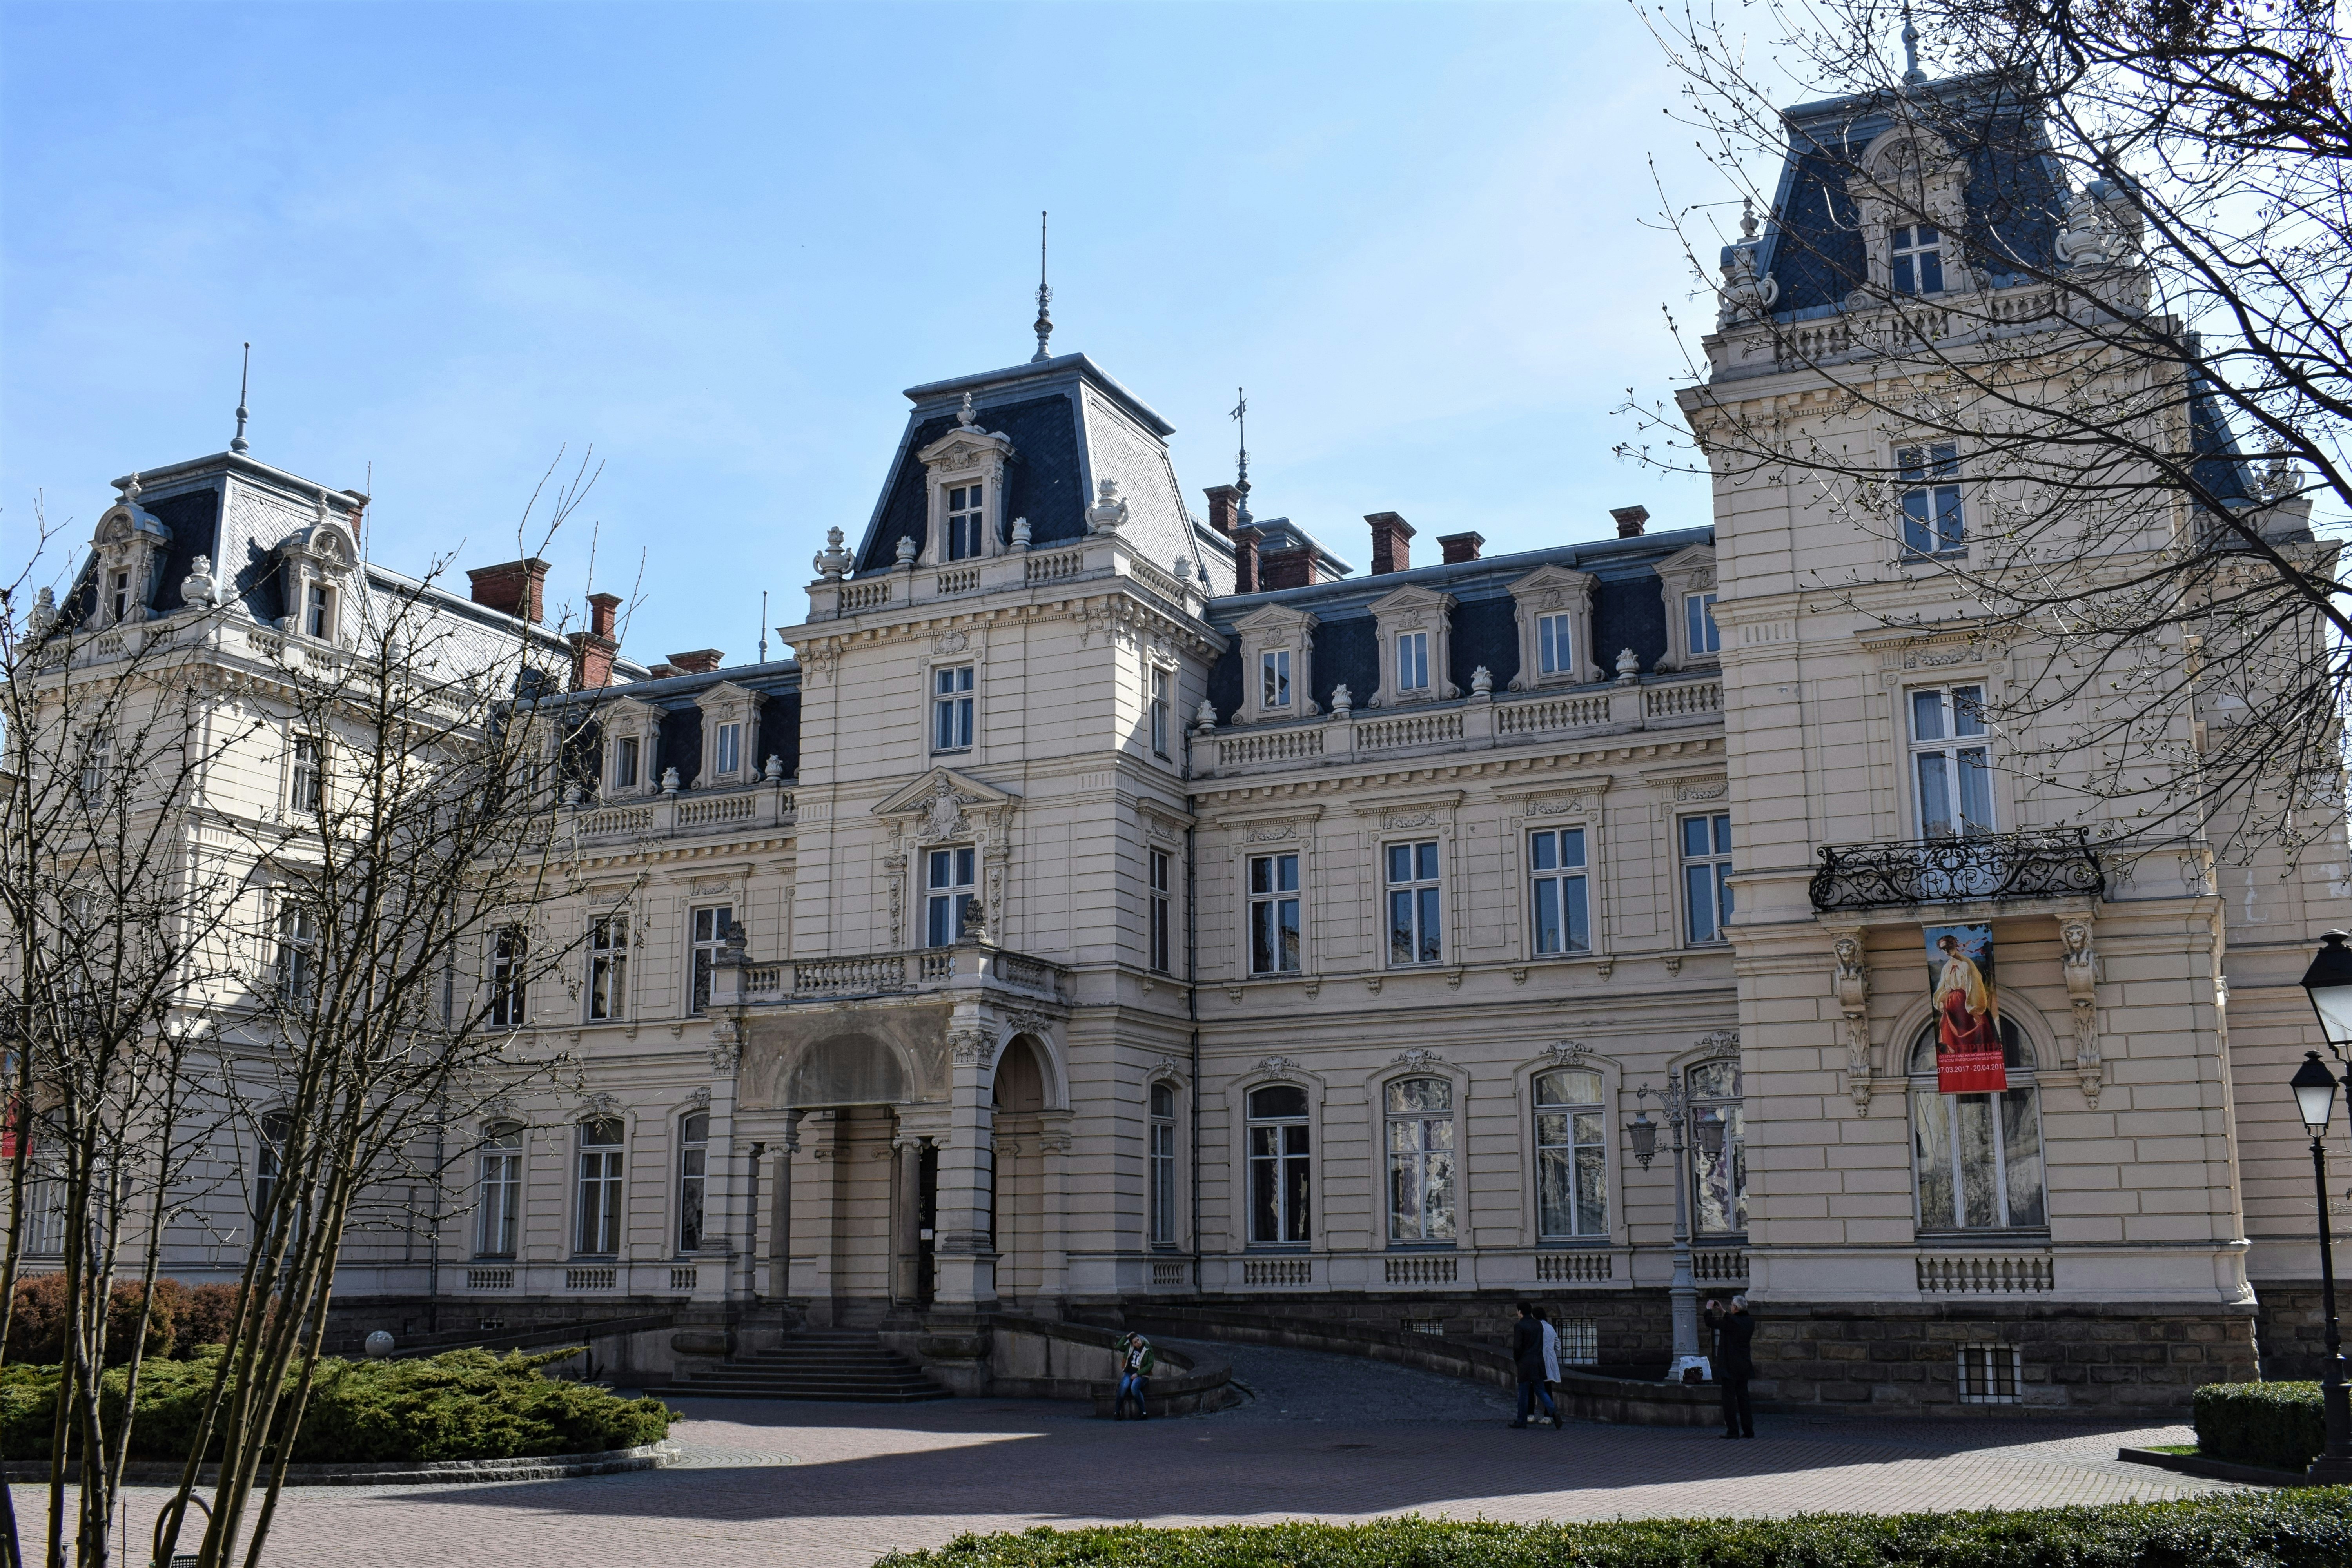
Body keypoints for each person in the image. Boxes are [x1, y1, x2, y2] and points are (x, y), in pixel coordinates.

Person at [1705, 1296, 1756, 1439]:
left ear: (1736, 1308)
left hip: (1730, 1366)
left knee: (1729, 1400)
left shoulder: (1732, 1323)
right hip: (1744, 1365)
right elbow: (1735, 1321)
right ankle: (1749, 1430)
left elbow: (1710, 1323)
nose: (1730, 1307)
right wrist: (1722, 1311)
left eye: (1732, 1305)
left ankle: (1733, 1431)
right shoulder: (1749, 1322)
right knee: (1744, 1398)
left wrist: (1709, 1309)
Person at [1506, 1303, 1558, 1429]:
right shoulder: (1539, 1325)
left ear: (1520, 1312)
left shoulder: (1520, 1326)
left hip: (1526, 1363)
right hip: (1539, 1361)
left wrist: (1517, 1359)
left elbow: (1518, 1347)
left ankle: (1521, 1420)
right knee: (1541, 1391)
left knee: (1524, 1393)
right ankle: (1555, 1413)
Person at [1112, 1329, 1156, 1420]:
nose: (1138, 1343)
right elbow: (1118, 1346)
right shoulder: (1130, 1347)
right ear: (1133, 1343)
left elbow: (1150, 1365)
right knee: (1123, 1387)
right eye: (1135, 1342)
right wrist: (1126, 1337)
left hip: (1142, 1375)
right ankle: (1117, 1413)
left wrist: (1138, 1374)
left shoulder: (1148, 1349)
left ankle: (1143, 1413)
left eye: (1138, 1340)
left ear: (1140, 1339)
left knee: (1134, 1387)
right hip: (1130, 1373)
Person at [1536, 1305, 1565, 1429]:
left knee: (1537, 1389)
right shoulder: (1550, 1327)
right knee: (1548, 1389)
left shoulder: (1536, 1327)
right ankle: (1548, 1416)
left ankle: (1531, 1415)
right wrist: (1554, 1357)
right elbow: (1558, 1345)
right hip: (1550, 1362)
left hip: (1539, 1362)